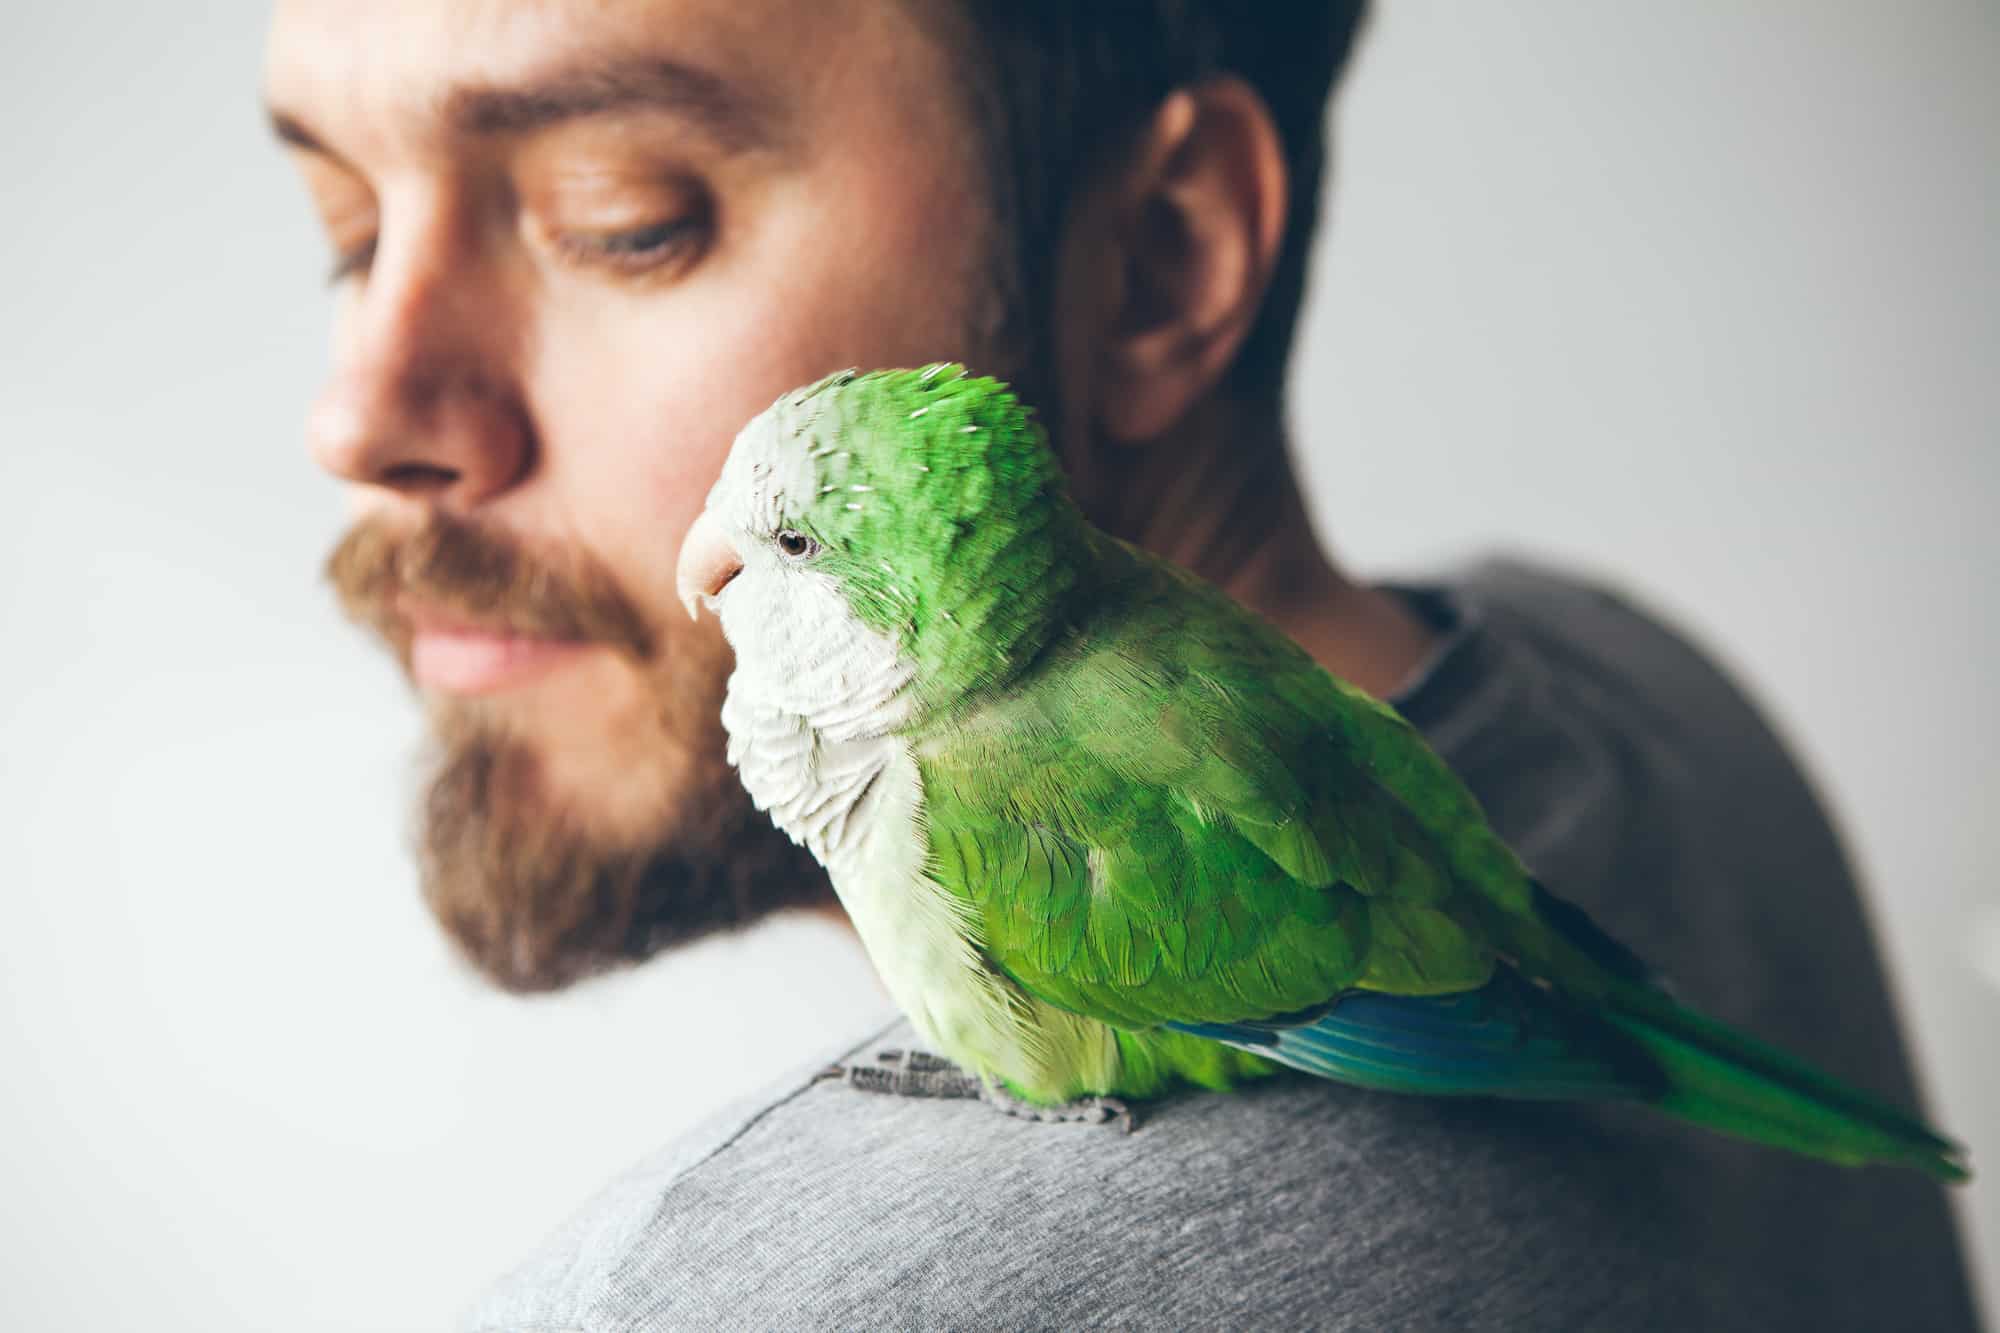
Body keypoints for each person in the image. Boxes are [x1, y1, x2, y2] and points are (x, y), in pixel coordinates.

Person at [263, 1, 1979, 1326]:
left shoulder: (698, 1298)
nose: (356, 415)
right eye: (344, 231)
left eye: (621, 217)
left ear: (1160, 259)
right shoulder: (1624, 677)